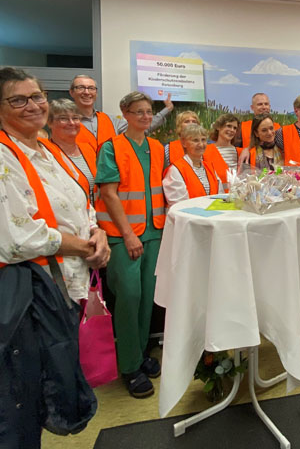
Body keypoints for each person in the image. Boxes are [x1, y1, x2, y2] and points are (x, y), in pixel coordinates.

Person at [0, 67, 109, 441]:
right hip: (17, 305)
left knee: (38, 402)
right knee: (9, 414)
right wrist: (81, 245)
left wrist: (96, 232)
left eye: (36, 96)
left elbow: (79, 205)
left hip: (57, 295)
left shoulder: (49, 150)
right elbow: (13, 237)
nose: (32, 106)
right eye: (17, 100)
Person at [94, 91, 166, 398]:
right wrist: (127, 234)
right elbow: (109, 194)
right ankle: (129, 366)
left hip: (154, 232)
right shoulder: (111, 148)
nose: (145, 117)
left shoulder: (156, 147)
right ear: (124, 113)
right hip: (124, 236)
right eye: (139, 112)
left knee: (147, 297)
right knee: (128, 297)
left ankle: (138, 355)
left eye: (149, 112)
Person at [70, 74, 173, 151]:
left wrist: (167, 109)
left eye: (91, 88)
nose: (87, 92)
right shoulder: (64, 124)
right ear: (71, 92)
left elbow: (140, 126)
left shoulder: (111, 121)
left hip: (112, 177)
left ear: (96, 93)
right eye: (81, 87)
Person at [48, 98, 97, 203]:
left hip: (95, 216)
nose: (71, 123)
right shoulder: (45, 151)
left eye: (75, 118)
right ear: (49, 122)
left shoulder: (88, 149)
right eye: (63, 118)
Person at [163, 124, 222, 204]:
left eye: (203, 140)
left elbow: (220, 197)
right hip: (188, 216)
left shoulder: (210, 167)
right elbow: (179, 205)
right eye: (195, 140)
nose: (201, 144)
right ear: (184, 143)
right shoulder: (176, 170)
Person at [206, 114, 242, 191]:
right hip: (214, 197)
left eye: (235, 128)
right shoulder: (206, 151)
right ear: (218, 127)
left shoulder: (240, 152)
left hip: (237, 196)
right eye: (228, 126)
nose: (232, 130)